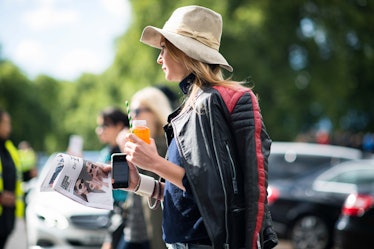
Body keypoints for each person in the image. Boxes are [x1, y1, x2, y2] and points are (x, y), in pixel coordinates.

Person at [116, 5, 278, 249]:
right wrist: (139, 183)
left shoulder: (208, 103)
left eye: (163, 48)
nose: (159, 58)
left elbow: (210, 189)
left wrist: (154, 163)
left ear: (182, 51)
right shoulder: (193, 106)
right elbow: (191, 196)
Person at [115, 87, 172, 249]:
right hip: (134, 228)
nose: (132, 116)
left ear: (155, 112)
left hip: (157, 232)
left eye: (137, 111)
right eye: (131, 111)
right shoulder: (136, 144)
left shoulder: (169, 144)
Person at [96, 107, 130, 249]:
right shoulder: (106, 152)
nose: (99, 130)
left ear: (120, 126)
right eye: (99, 126)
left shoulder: (131, 149)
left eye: (105, 125)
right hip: (114, 213)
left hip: (131, 217)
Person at [0, 109, 24, 249]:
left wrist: (29, 174)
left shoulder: (9, 149)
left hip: (6, 220)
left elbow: (15, 175)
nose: (9, 127)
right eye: (6, 123)